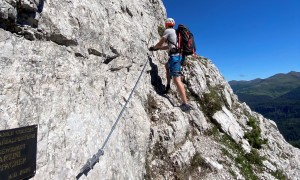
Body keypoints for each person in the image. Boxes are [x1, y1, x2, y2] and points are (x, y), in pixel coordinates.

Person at [149, 18, 193, 111]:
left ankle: (185, 104)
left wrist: (154, 48)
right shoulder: (176, 32)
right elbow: (169, 46)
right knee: (166, 66)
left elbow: (160, 42)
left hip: (175, 58)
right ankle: (168, 85)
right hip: (178, 56)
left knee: (177, 80)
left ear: (166, 24)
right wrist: (159, 49)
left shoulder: (168, 31)